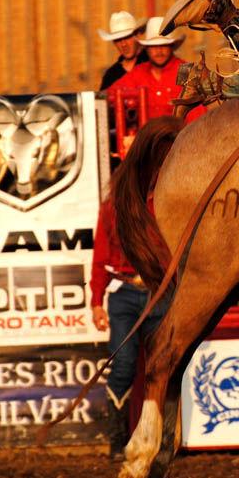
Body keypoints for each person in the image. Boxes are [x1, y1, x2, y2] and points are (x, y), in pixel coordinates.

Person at [88, 194, 168, 461]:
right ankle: (118, 443)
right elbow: (100, 256)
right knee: (123, 365)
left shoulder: (164, 198)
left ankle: (162, 441)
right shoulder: (112, 205)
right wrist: (96, 302)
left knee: (162, 367)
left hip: (157, 290)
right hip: (124, 290)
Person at [109, 17, 187, 119]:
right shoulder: (138, 73)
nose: (159, 51)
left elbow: (197, 115)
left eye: (163, 45)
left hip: (180, 133)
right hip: (146, 134)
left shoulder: (186, 72)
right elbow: (110, 95)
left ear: (171, 46)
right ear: (147, 48)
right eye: (153, 46)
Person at [97, 11, 148, 91]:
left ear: (137, 35)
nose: (123, 44)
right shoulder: (111, 75)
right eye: (118, 40)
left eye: (127, 37)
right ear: (114, 42)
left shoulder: (153, 64)